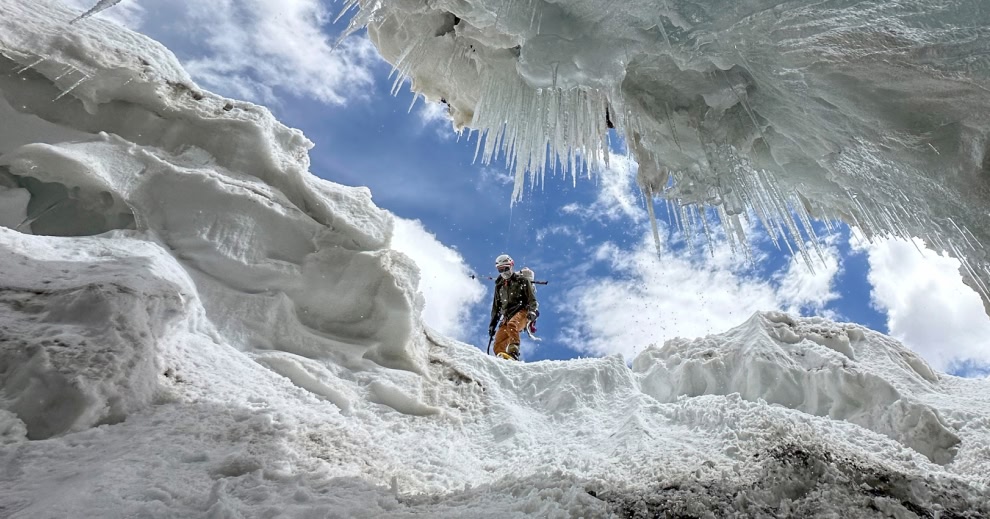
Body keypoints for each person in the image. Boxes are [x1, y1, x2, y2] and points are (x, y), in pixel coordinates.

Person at [488, 254, 538, 361]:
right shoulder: (499, 286)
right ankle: (503, 358)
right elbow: (496, 307)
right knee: (499, 340)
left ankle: (513, 351)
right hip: (507, 316)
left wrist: (532, 311)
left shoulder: (522, 280)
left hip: (522, 312)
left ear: (511, 266)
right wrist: (492, 325)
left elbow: (531, 298)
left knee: (512, 325)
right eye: (500, 270)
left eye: (506, 268)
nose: (504, 272)